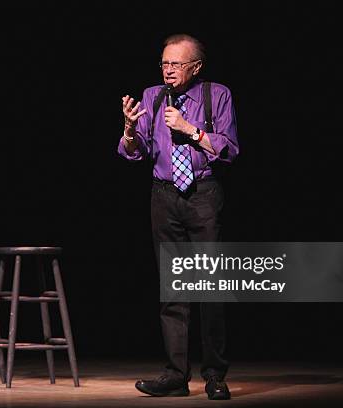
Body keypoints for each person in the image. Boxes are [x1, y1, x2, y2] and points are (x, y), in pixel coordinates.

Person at [118, 34, 239, 400]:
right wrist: (127, 130)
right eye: (165, 64)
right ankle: (175, 374)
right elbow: (134, 151)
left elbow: (230, 149)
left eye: (177, 64)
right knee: (174, 290)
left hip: (202, 196)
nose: (168, 71)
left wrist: (192, 130)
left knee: (210, 288)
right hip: (164, 196)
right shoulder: (152, 96)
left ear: (196, 67)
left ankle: (215, 375)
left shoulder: (217, 95)